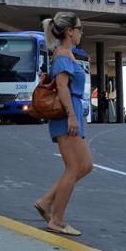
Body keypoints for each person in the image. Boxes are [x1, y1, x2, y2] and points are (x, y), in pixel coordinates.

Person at [34, 12, 93, 236]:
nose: (81, 33)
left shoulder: (67, 54)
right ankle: (57, 220)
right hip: (66, 116)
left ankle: (46, 201)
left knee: (86, 165)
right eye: (79, 29)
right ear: (70, 31)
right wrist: (71, 116)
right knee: (73, 168)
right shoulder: (62, 56)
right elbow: (62, 87)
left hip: (73, 113)